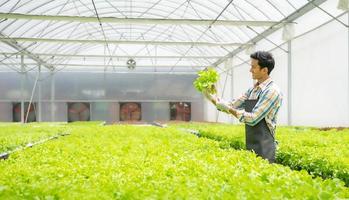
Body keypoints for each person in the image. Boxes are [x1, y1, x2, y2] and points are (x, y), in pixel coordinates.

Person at [204, 51, 283, 163]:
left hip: (265, 147)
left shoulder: (272, 91)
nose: (250, 70)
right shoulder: (252, 90)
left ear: (264, 70)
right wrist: (211, 97)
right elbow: (231, 104)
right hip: (251, 143)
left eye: (253, 67)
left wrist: (229, 109)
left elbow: (253, 118)